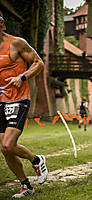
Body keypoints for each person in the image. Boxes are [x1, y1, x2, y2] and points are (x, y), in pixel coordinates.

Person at [0, 11, 48, 198]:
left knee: (8, 145)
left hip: (19, 98)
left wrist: (22, 77)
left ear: (2, 24)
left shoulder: (16, 43)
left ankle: (36, 160)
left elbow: (38, 63)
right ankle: (26, 185)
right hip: (1, 101)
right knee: (6, 151)